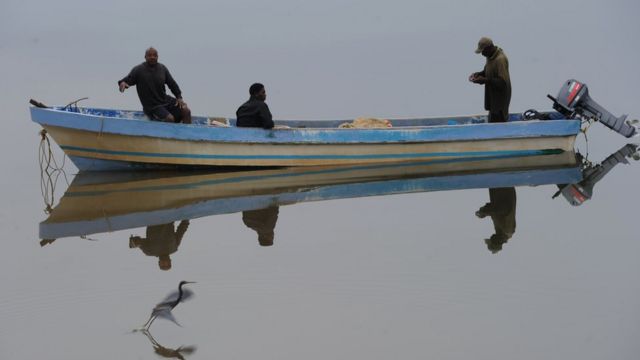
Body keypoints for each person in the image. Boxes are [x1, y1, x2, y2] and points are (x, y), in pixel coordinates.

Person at [118, 47, 191, 124]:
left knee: (186, 111)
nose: (152, 57)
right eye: (149, 55)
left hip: (165, 101)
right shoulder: (138, 70)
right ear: (145, 57)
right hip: (152, 107)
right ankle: (166, 135)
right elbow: (125, 81)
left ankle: (188, 135)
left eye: (154, 55)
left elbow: (172, 84)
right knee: (170, 118)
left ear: (157, 57)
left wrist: (179, 97)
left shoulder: (162, 68)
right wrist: (123, 84)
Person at [469, 37, 511, 123]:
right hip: (493, 100)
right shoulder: (490, 56)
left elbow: (502, 83)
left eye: (483, 51)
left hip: (500, 103)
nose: (482, 54)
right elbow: (488, 71)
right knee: (492, 120)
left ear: (489, 47)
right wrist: (479, 74)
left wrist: (485, 80)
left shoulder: (500, 59)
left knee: (498, 125)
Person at [476, 187, 516, 253]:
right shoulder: (508, 230)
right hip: (503, 187)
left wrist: (484, 212)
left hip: (497, 188)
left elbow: (495, 212)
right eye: (491, 240)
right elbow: (504, 209)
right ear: (495, 242)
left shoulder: (500, 230)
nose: (490, 238)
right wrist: (486, 211)